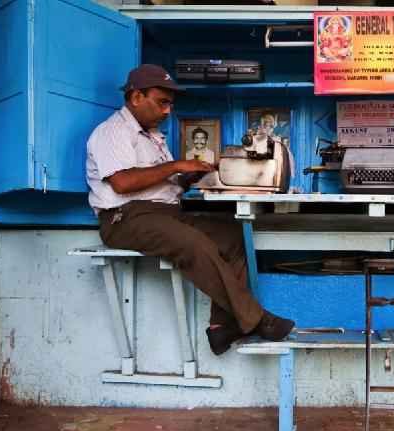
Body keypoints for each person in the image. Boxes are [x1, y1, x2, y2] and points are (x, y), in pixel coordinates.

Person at [86, 64, 294, 356]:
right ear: (135, 98)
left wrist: (186, 179)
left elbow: (159, 185)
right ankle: (256, 318)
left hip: (165, 213)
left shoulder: (153, 137)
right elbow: (122, 182)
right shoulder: (111, 132)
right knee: (192, 243)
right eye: (162, 102)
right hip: (125, 218)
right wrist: (176, 165)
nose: (168, 111)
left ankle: (222, 329)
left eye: (170, 104)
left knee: (233, 235)